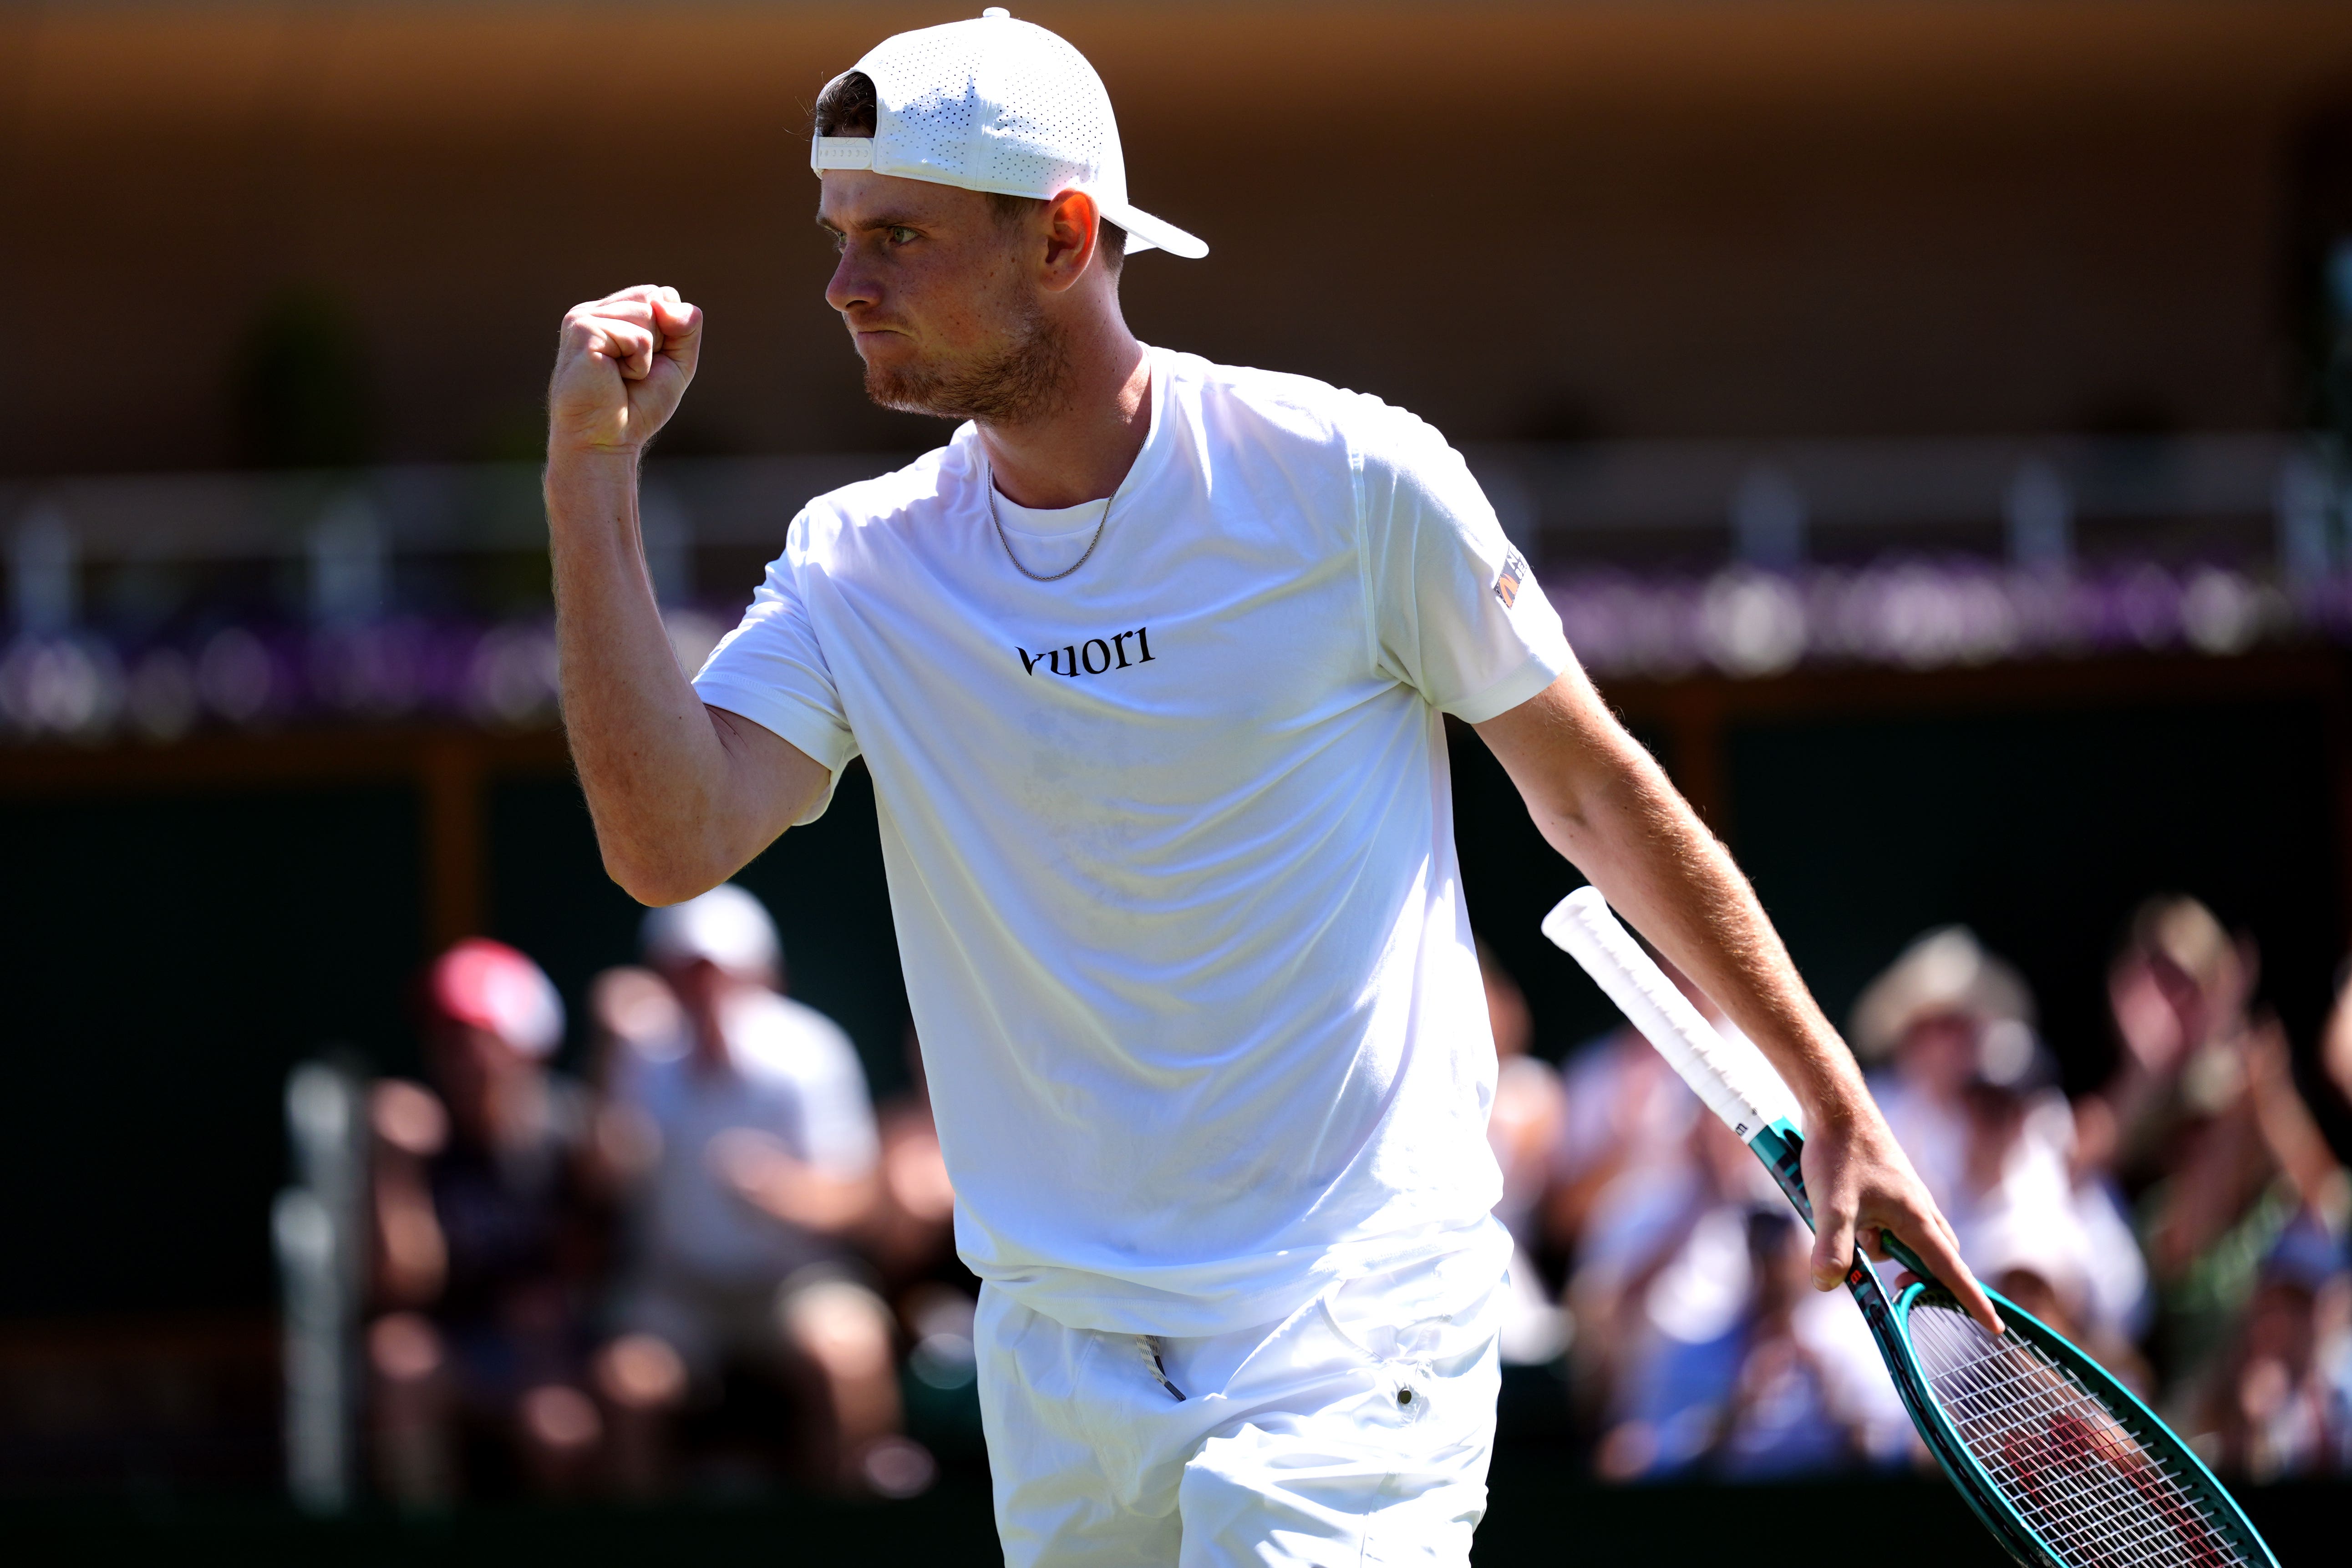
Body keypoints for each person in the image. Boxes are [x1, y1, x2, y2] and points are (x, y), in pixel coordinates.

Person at [542, 13, 1994, 1560]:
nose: (842, 284)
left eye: (895, 235)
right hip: (1060, 1360)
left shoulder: (1350, 480)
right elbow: (668, 837)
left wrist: (1830, 1093)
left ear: (1065, 240)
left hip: (1349, 1321)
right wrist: (589, 481)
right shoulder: (855, 566)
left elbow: (1591, 796)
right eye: (838, 237)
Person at [595, 883, 925, 1496]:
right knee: (625, 1382)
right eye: (683, 974)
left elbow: (860, 1198)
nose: (703, 991)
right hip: (676, 1288)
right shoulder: (636, 1057)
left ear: (760, 977)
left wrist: (783, 1191)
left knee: (845, 1355)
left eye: (718, 974)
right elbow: (604, 1177)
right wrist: (605, 1054)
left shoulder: (810, 1053)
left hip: (794, 1280)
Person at [366, 939, 609, 1503]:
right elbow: (404, 1282)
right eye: (448, 1037)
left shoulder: (567, 1134)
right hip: (456, 1343)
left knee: (559, 1425)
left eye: (481, 1037)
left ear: (527, 1046)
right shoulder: (415, 1133)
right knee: (397, 1358)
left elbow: (591, 1261)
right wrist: (395, 1169)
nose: (465, 1056)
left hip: (547, 1355)